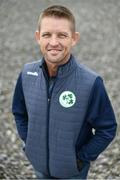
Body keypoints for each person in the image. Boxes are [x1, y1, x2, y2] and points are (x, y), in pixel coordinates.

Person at [12, 5, 117, 179]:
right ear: (38, 37)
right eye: (47, 35)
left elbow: (107, 128)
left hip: (72, 173)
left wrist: (80, 159)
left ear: (74, 39)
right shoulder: (27, 74)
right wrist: (30, 142)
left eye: (62, 35)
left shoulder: (91, 82)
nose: (53, 42)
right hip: (39, 168)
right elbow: (19, 112)